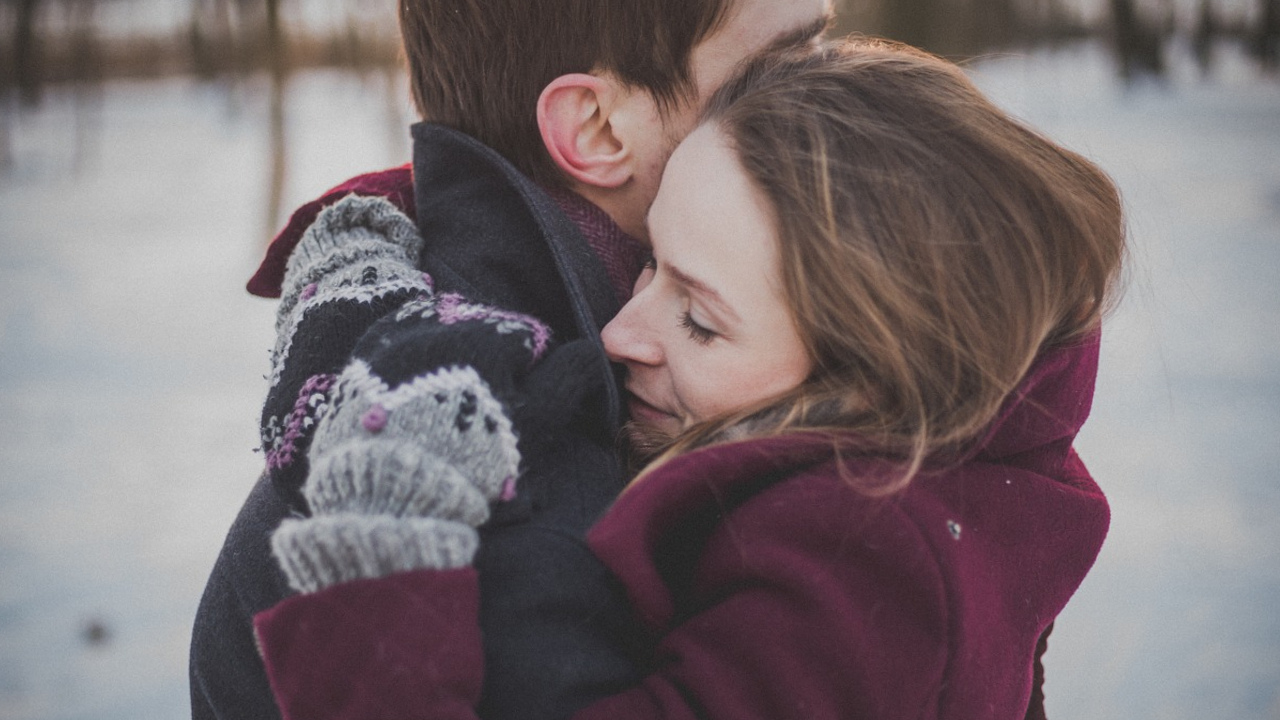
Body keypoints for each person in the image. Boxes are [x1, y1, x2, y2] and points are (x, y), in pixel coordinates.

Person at [250, 37, 1126, 719]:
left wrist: (376, 576)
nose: (621, 333)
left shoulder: (863, 580)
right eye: (649, 262)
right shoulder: (925, 486)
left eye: (701, 321)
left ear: (874, 380)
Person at [189, 0, 834, 718]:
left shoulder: (477, 356)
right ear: (595, 128)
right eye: (784, 66)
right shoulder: (526, 516)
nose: (841, 95)